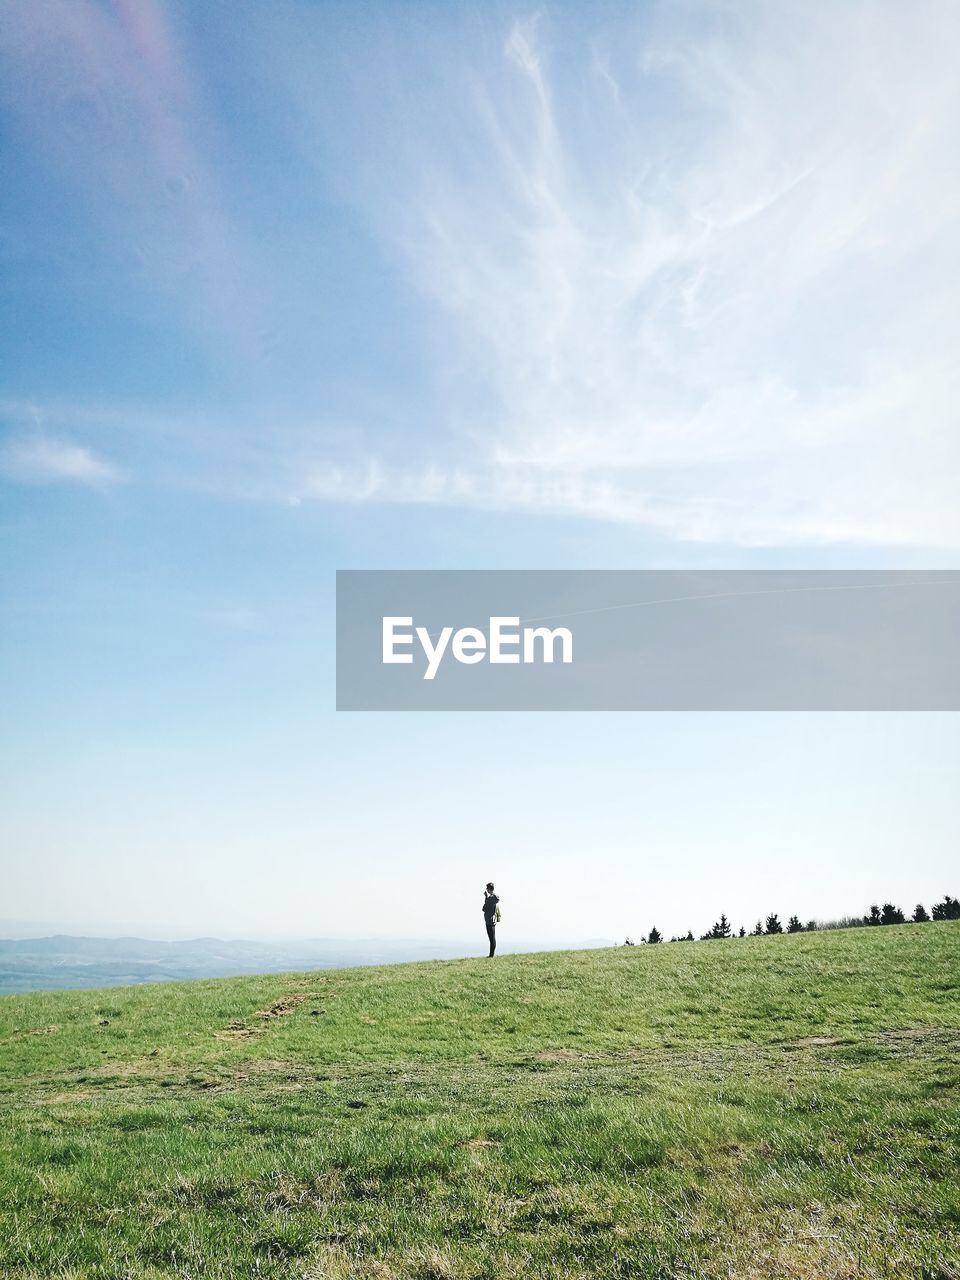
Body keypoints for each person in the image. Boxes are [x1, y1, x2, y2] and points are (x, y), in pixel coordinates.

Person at [482, 881, 499, 956]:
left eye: (487, 888)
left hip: (489, 921)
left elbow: (484, 908)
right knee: (492, 938)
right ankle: (491, 954)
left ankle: (491, 955)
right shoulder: (492, 898)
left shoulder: (491, 898)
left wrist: (486, 897)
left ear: (489, 889)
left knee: (491, 938)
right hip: (491, 920)